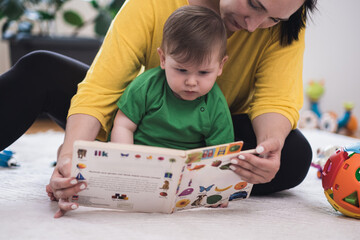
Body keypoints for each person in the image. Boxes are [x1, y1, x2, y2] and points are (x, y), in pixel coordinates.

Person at [0, 0, 318, 218]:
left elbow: (274, 100)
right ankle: (124, 165)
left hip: (209, 139)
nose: (253, 26)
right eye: (253, 4)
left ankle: (171, 179)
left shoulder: (287, 23)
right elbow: (101, 89)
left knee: (293, 153)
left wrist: (270, 147)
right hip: (137, 124)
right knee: (38, 68)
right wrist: (70, 157)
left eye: (274, 19)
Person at [111, 6, 233, 149]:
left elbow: (221, 152)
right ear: (163, 59)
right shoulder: (146, 87)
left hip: (187, 167)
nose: (191, 82)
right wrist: (125, 161)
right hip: (139, 159)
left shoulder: (215, 105)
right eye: (182, 70)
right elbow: (123, 126)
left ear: (220, 66)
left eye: (203, 73)